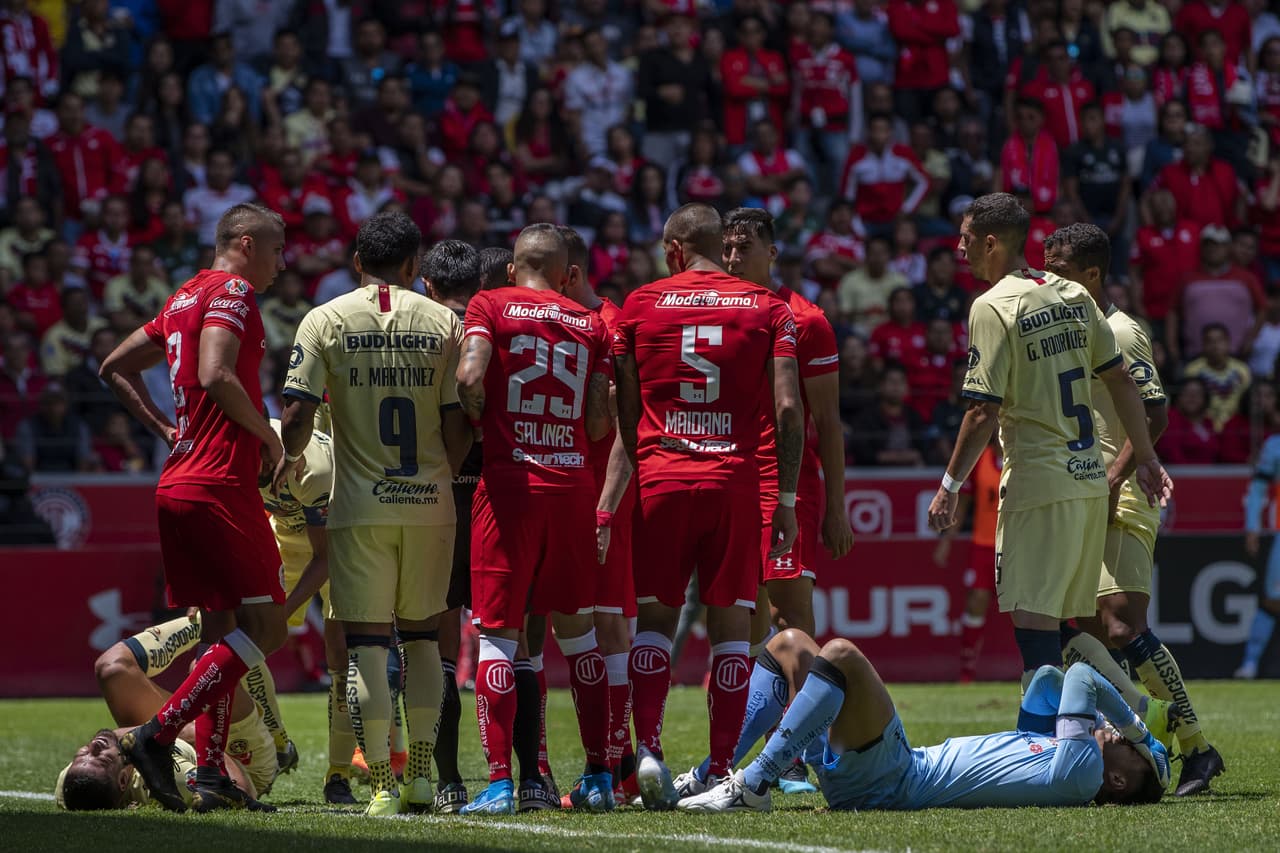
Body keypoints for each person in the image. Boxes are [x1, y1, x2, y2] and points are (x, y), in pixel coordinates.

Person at [927, 193, 1172, 696]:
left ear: (991, 243)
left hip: (1039, 483)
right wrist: (1146, 456)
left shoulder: (992, 306)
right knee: (1061, 627)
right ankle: (1139, 715)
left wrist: (949, 485)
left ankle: (1043, 737)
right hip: (1088, 482)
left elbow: (981, 411)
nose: (959, 249)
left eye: (966, 239)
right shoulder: (1074, 294)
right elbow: (1121, 380)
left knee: (1035, 629)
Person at [275, 211, 469, 817]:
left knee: (365, 649)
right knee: (423, 641)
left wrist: (291, 458)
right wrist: (442, 472)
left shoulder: (323, 318)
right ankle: (421, 778)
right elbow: (460, 420)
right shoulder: (446, 322)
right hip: (431, 505)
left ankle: (383, 784)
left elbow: (296, 412)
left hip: (358, 508)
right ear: (414, 265)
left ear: (357, 261)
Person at [610, 203, 804, 809]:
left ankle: (649, 750)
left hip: (662, 477)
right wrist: (787, 498)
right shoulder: (768, 307)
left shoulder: (639, 304)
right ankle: (721, 769)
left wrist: (640, 466)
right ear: (722, 246)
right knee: (731, 629)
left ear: (673, 250)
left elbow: (622, 404)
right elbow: (789, 409)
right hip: (734, 482)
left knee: (654, 621)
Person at [98, 202, 289, 813]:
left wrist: (165, 430)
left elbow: (113, 367)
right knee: (267, 629)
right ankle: (157, 735)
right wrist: (268, 437)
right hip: (219, 486)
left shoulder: (182, 297)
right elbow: (215, 373)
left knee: (218, 632)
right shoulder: (233, 291)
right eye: (277, 249)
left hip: (179, 483)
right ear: (245, 243)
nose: (282, 264)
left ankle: (209, 774)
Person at [672, 207, 852, 797]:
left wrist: (835, 505)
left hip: (785, 482)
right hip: (729, 477)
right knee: (740, 623)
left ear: (771, 253)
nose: (731, 257)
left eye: (743, 247)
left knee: (789, 619)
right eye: (725, 247)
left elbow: (827, 420)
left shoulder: (807, 320)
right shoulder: (719, 311)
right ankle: (745, 758)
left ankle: (804, 759)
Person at [1042, 223, 1224, 797]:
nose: (1050, 279)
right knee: (1076, 627)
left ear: (1093, 274)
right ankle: (1148, 727)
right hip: (1076, 490)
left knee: (1122, 622)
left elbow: (1154, 413)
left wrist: (1114, 475)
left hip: (1118, 491)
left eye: (1060, 271)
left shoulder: (1121, 330)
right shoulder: (1062, 330)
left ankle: (1196, 747)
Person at [455, 224, 615, 815]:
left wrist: (484, 422)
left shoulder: (490, 304)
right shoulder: (591, 322)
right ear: (567, 273)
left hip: (510, 487)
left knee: (499, 635)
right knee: (580, 636)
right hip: (572, 487)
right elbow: (598, 422)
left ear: (512, 268)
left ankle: (500, 783)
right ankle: (599, 776)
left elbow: (469, 378)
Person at [675, 630, 1170, 812]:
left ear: (1118, 781)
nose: (1123, 738)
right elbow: (1046, 681)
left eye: (1135, 752)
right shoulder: (1064, 751)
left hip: (895, 780)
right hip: (891, 772)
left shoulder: (1081, 776)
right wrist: (1104, 720)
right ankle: (710, 772)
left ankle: (753, 783)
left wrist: (1138, 727)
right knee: (791, 645)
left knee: (841, 654)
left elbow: (1081, 675)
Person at [554, 224, 641, 806]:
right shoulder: (558, 323)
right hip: (563, 491)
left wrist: (605, 510)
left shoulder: (611, 326)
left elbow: (622, 432)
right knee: (572, 627)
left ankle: (614, 767)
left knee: (608, 626)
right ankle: (617, 765)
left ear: (571, 275)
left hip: (602, 495)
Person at [55, 613, 277, 811]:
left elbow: (114, 743)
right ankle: (280, 740)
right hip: (237, 757)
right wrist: (185, 735)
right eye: (101, 759)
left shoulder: (74, 784)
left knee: (112, 668)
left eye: (81, 754)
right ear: (123, 781)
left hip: (166, 736)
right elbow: (242, 791)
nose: (93, 746)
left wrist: (155, 733)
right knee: (209, 667)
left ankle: (203, 621)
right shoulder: (180, 780)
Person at [258, 418, 356, 805]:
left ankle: (339, 775)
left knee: (341, 654)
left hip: (340, 541)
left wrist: (281, 613)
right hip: (283, 536)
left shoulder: (312, 468)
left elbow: (325, 558)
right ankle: (278, 743)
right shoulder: (233, 453)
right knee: (235, 636)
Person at [418, 239, 483, 814]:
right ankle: (529, 779)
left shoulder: (421, 330)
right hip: (495, 497)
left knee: (434, 644)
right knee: (513, 642)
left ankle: (448, 781)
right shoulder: (493, 329)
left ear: (428, 286)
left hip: (434, 498)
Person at [933, 433, 1002, 682]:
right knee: (976, 602)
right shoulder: (980, 460)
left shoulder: (1022, 458)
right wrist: (946, 542)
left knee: (1024, 609)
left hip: (1015, 547)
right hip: (983, 545)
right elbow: (963, 505)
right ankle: (967, 672)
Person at [1240, 432, 1280, 680]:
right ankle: (1250, 661)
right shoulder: (1275, 445)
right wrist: (1252, 525)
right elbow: (1258, 488)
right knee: (1274, 599)